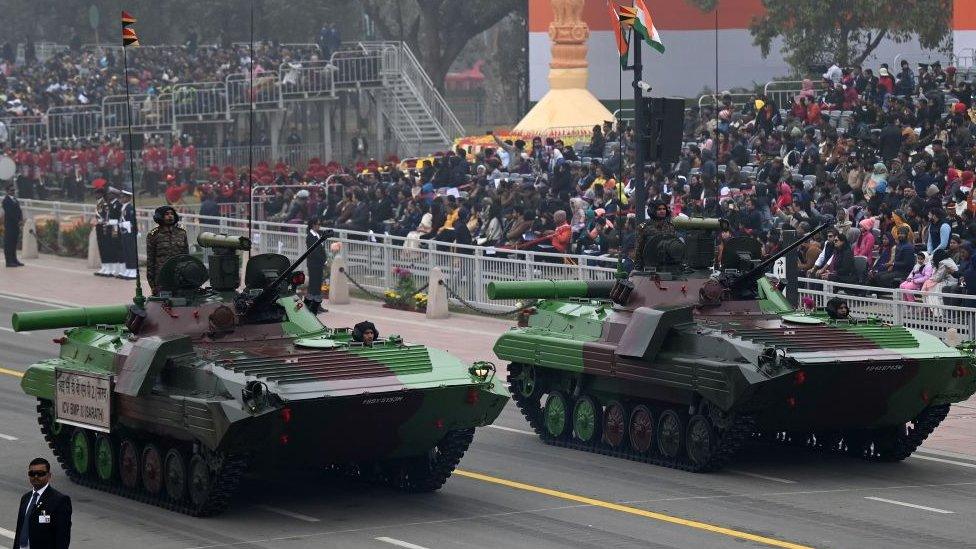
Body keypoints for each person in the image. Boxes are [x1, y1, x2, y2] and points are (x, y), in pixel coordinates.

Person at [12, 457, 71, 549]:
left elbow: (62, 537)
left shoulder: (60, 501)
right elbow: (19, 529)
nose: (36, 476)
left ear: (49, 475)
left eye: (40, 473)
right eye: (32, 473)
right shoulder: (25, 498)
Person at [146, 206, 189, 295]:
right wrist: (152, 285)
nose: (170, 216)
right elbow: (150, 260)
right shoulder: (153, 235)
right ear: (160, 216)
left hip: (179, 276)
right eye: (167, 214)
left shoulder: (182, 233)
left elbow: (186, 257)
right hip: (162, 277)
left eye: (172, 214)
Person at [304, 217, 327, 314]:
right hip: (313, 264)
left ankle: (318, 304)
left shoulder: (318, 235)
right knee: (313, 285)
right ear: (313, 225)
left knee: (318, 285)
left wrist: (324, 259)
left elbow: (321, 249)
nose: (319, 226)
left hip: (319, 264)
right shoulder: (310, 237)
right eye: (318, 224)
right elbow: (314, 252)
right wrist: (322, 260)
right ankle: (310, 305)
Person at [2, 183, 24, 267]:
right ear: (7, 191)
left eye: (14, 190)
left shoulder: (15, 200)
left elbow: (19, 210)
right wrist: (17, 221)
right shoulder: (6, 201)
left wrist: (21, 219)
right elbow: (10, 213)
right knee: (9, 243)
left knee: (14, 242)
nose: (13, 192)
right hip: (10, 225)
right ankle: (9, 261)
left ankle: (14, 259)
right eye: (11, 190)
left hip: (16, 225)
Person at [119, 190, 138, 280]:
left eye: (123, 197)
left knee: (131, 252)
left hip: (130, 232)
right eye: (121, 197)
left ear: (128, 198)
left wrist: (125, 224)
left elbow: (132, 221)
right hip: (124, 232)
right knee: (126, 251)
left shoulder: (130, 208)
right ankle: (129, 269)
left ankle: (133, 271)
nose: (121, 199)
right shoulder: (123, 207)